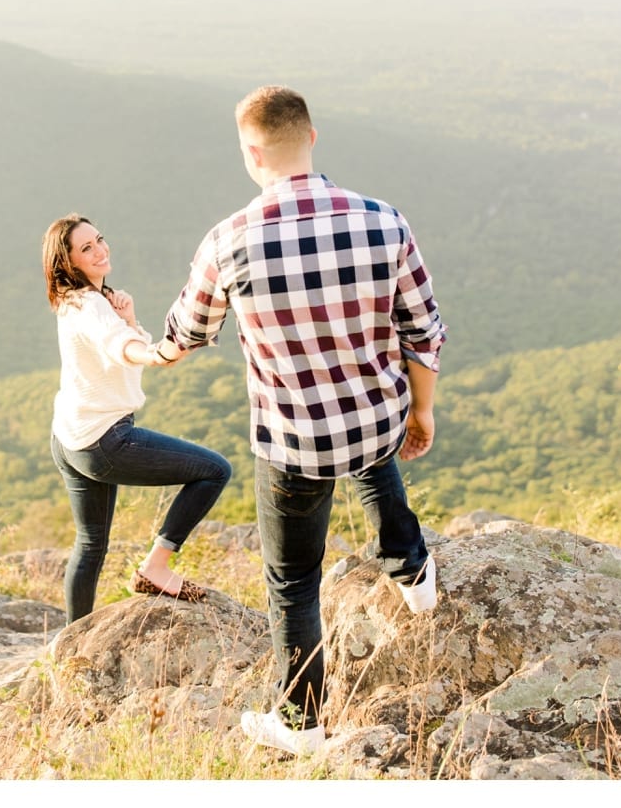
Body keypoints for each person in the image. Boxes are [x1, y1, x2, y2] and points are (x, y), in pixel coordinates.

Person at [152, 85, 447, 757]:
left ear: (251, 152)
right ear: (312, 138)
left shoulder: (229, 240)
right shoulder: (383, 220)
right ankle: (412, 567)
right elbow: (423, 329)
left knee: (293, 580)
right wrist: (421, 409)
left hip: (293, 440)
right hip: (377, 418)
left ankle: (303, 721)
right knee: (373, 460)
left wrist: (153, 349)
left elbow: (189, 329)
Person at [42, 213, 233, 625]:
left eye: (100, 240)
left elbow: (120, 346)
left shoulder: (77, 301)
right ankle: (155, 568)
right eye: (86, 248)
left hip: (69, 437)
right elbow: (123, 348)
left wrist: (129, 320)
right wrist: (158, 353)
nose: (100, 250)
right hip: (103, 441)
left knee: (91, 543)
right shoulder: (90, 305)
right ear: (69, 262)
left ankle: (72, 639)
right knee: (215, 470)